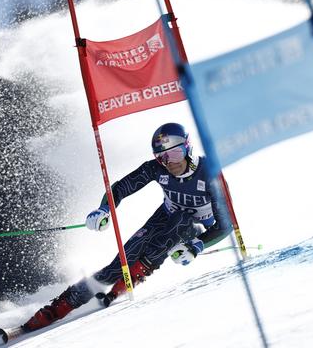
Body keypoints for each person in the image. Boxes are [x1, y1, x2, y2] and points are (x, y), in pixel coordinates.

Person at [21, 122, 231, 332]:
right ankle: (61, 306)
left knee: (182, 219)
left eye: (175, 154)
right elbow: (122, 187)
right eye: (162, 157)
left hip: (195, 230)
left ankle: (140, 270)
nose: (169, 163)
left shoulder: (209, 174)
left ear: (187, 147)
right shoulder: (156, 168)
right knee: (119, 263)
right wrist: (104, 209)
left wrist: (196, 246)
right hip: (165, 217)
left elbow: (226, 224)